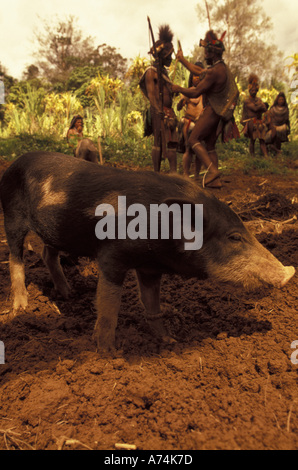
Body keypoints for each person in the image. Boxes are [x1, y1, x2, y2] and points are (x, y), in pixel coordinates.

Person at [171, 30, 239, 188]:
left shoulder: (215, 71)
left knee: (193, 139)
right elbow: (200, 71)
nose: (204, 54)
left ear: (213, 53)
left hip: (213, 111)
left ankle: (213, 172)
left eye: (206, 51)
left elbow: (195, 91)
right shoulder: (220, 68)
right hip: (220, 113)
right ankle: (215, 181)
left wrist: (178, 88)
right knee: (210, 146)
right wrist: (181, 60)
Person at [139, 24, 178, 173]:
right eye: (169, 56)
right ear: (162, 56)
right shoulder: (151, 72)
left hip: (168, 111)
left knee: (172, 141)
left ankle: (174, 174)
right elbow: (151, 95)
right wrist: (158, 109)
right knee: (158, 142)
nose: (171, 59)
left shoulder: (164, 74)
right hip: (158, 111)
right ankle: (156, 173)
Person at [176, 62, 206, 179]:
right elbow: (178, 107)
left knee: (199, 149)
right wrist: (181, 102)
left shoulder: (206, 93)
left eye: (198, 75)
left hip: (201, 124)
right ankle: (186, 174)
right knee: (188, 148)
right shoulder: (188, 91)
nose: (196, 78)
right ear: (191, 77)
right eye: (194, 75)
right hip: (188, 123)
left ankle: (197, 175)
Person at [241, 74, 268, 157]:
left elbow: (264, 108)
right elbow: (255, 109)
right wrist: (259, 105)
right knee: (252, 140)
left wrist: (258, 105)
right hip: (251, 122)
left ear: (257, 91)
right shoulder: (247, 101)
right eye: (252, 90)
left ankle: (266, 157)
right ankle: (252, 157)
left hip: (259, 122)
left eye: (255, 90)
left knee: (262, 140)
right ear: (249, 91)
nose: (253, 91)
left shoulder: (258, 99)